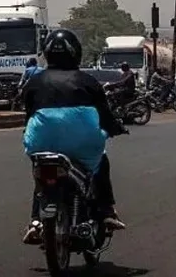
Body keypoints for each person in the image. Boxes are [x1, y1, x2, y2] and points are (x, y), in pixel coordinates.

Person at [20, 29, 126, 245]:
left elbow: (29, 113)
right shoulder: (88, 81)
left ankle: (35, 222)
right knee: (101, 163)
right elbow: (105, 115)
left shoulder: (34, 82)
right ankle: (106, 211)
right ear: (75, 52)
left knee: (41, 177)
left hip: (41, 141)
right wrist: (115, 128)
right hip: (84, 144)